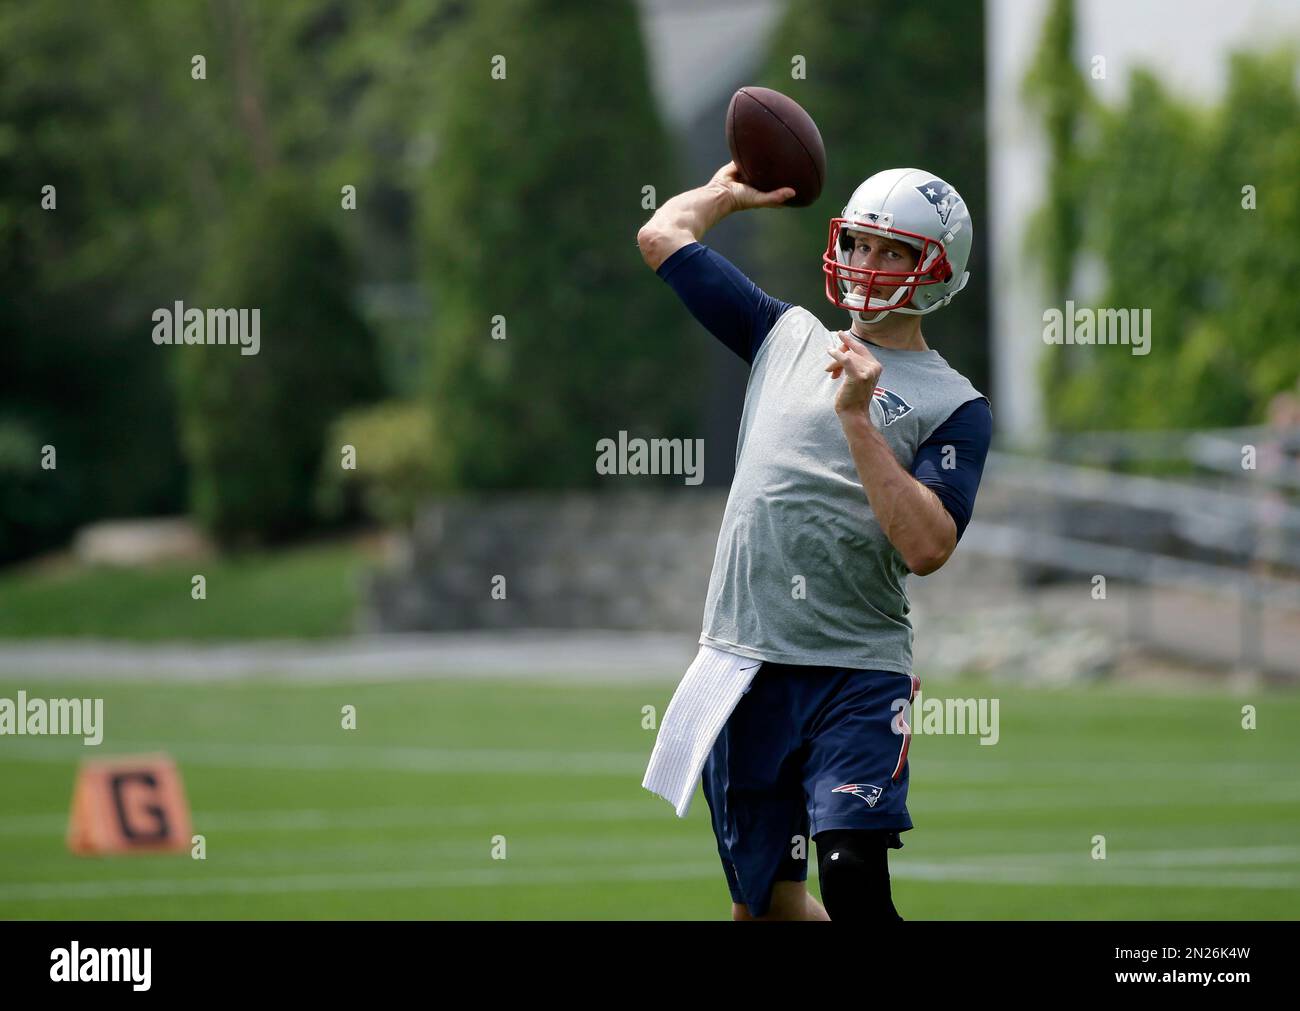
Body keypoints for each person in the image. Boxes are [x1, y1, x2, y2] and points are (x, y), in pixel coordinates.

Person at [637, 162, 992, 921]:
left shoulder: (956, 404)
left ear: (938, 268)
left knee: (853, 877)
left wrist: (858, 418)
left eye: (892, 251)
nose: (866, 263)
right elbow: (662, 235)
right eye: (858, 243)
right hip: (746, 662)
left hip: (855, 670)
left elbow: (927, 546)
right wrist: (727, 195)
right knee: (768, 908)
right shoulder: (785, 334)